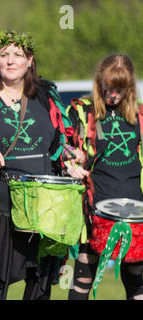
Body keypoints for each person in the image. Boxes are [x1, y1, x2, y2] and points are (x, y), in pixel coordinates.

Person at [0, 30, 74, 300]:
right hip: (0, 199)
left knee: (41, 279)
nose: (10, 60)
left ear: (30, 60)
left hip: (44, 201)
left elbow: (58, 143)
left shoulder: (45, 95)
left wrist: (70, 161)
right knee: (0, 276)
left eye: (18, 55)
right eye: (4, 54)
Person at [66, 54, 143, 300]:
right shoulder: (82, 111)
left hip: (135, 208)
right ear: (100, 82)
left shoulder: (140, 115)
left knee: (138, 283)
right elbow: (61, 148)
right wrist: (71, 160)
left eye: (119, 90)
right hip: (95, 207)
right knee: (82, 278)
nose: (112, 95)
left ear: (129, 88)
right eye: (108, 88)